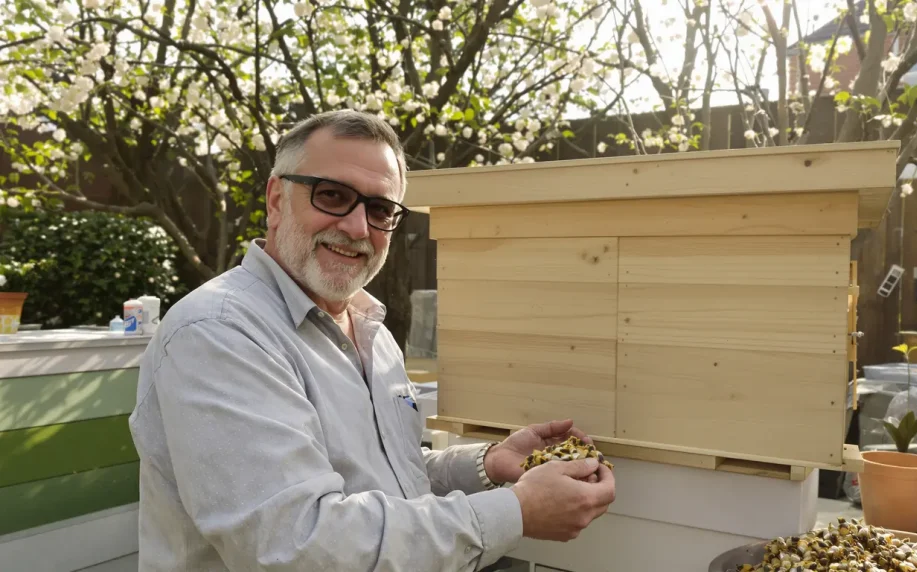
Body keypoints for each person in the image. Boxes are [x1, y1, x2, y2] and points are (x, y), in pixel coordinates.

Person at [128, 110, 616, 571]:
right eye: (333, 196)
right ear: (277, 199)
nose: (358, 227)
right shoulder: (220, 333)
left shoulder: (370, 331)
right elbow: (296, 545)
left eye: (380, 208)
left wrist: (486, 466)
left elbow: (378, 472)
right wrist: (517, 511)